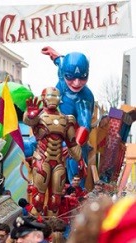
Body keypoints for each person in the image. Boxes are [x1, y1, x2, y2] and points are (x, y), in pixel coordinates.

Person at [23, 87, 86, 216]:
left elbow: (72, 143)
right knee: (38, 198)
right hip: (41, 158)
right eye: (51, 96)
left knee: (56, 200)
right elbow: (29, 120)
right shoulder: (38, 116)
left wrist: (80, 160)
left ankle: (53, 229)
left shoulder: (66, 119)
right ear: (43, 98)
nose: (54, 99)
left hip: (58, 162)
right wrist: (30, 115)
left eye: (56, 97)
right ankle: (35, 226)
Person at [42, 47, 94, 187]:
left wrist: (75, 145)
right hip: (54, 130)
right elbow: (61, 62)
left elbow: (85, 125)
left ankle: (77, 191)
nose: (76, 83)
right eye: (70, 77)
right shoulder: (62, 73)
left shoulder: (84, 99)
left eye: (83, 77)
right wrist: (55, 56)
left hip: (73, 137)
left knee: (75, 160)